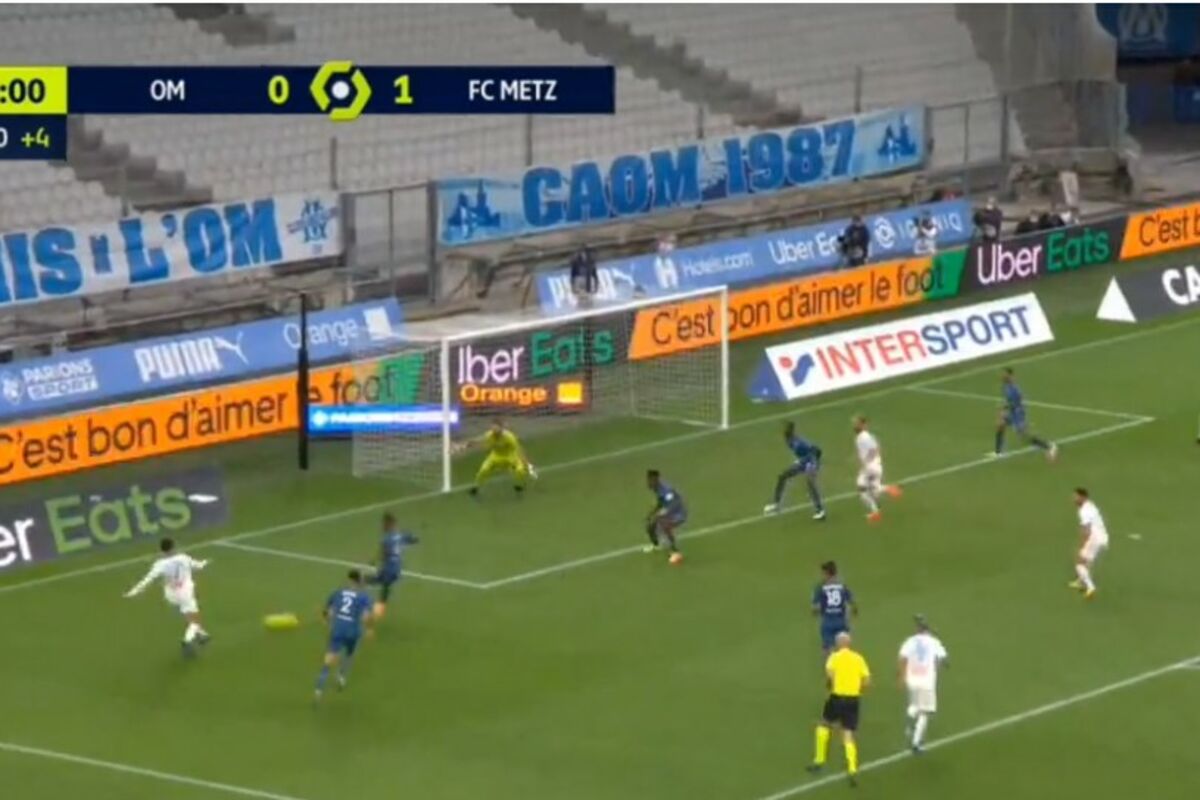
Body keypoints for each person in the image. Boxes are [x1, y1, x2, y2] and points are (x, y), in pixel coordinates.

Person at [123, 538, 211, 656]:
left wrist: (134, 591)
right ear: (174, 547)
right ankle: (187, 640)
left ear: (162, 550)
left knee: (187, 612)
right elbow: (198, 565)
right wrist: (204, 562)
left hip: (171, 594)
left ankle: (201, 634)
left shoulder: (159, 564)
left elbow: (148, 579)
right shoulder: (183, 558)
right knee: (195, 619)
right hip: (185, 592)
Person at [808, 631, 871, 786]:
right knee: (848, 734)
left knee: (824, 725)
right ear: (849, 643)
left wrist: (833, 684)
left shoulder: (834, 657)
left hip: (837, 697)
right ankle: (852, 769)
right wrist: (858, 690)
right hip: (853, 700)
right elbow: (867, 681)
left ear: (838, 644)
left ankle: (819, 760)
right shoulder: (858, 658)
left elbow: (829, 675)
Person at [315, 570, 374, 702]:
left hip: (338, 629)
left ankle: (319, 689)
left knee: (329, 659)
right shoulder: (364, 597)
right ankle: (341, 676)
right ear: (360, 581)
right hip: (353, 631)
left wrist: (325, 620)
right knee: (349, 653)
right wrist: (369, 629)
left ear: (349, 580)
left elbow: (328, 611)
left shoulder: (338, 593)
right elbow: (366, 616)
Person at [898, 615, 949, 754]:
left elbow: (902, 658)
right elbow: (944, 659)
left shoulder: (909, 641)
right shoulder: (934, 642)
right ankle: (916, 743)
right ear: (928, 630)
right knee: (925, 712)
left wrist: (902, 677)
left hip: (912, 680)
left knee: (915, 704)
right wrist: (942, 665)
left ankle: (910, 718)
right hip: (926, 681)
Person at [991, 367, 1057, 461]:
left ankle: (1048, 446)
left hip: (1017, 414)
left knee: (1024, 436)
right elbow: (1008, 401)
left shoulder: (1015, 389)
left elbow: (1017, 403)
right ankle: (998, 452)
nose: (1002, 376)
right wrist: (1003, 409)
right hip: (1011, 412)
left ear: (1010, 376)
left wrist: (1004, 408)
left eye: (1005, 374)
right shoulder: (1005, 387)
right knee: (1000, 425)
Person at [764, 421, 826, 520]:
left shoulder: (799, 442)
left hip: (810, 462)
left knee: (810, 483)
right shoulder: (789, 441)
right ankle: (776, 504)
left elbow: (816, 450)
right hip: (803, 462)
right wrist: (800, 461)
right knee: (782, 476)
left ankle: (820, 510)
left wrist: (813, 464)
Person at [367, 512, 420, 618]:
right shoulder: (402, 535)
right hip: (397, 568)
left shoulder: (386, 539)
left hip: (389, 568)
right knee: (382, 585)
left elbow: (383, 553)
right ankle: (377, 609)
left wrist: (373, 561)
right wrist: (413, 539)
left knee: (376, 583)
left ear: (389, 524)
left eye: (384, 524)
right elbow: (415, 540)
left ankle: (374, 610)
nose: (382, 526)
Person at [466, 419, 535, 498]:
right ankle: (475, 488)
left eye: (496, 428)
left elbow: (519, 449)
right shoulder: (490, 435)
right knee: (483, 470)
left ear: (501, 428)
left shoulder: (510, 437)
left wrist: (526, 462)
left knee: (520, 470)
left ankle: (519, 485)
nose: (494, 431)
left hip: (510, 456)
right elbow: (482, 438)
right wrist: (472, 442)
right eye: (493, 428)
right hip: (495, 456)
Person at [853, 415, 902, 523]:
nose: (855, 425)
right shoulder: (865, 436)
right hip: (875, 466)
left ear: (863, 425)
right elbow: (876, 448)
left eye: (857, 423)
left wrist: (866, 461)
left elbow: (875, 449)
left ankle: (878, 507)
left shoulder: (863, 437)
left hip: (870, 467)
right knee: (874, 489)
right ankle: (878, 509)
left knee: (862, 488)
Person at [1070, 488, 1109, 599]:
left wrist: (1082, 545)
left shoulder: (1084, 511)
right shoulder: (1090, 505)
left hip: (1094, 538)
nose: (1074, 499)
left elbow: (1086, 531)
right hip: (1102, 537)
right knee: (1086, 561)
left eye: (1076, 497)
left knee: (1079, 562)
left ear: (1083, 497)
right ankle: (1081, 582)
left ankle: (1090, 587)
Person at [812, 561, 857, 655]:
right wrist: (852, 613)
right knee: (844, 649)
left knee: (827, 649)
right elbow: (852, 604)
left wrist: (818, 611)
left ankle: (830, 663)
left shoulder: (821, 588)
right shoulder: (842, 586)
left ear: (827, 574)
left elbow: (815, 608)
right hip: (841, 622)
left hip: (828, 622)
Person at [644, 469, 685, 565]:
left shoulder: (666, 490)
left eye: (651, 480)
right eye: (648, 479)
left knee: (665, 526)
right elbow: (661, 502)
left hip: (677, 512)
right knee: (650, 525)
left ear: (656, 479)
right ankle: (656, 545)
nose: (649, 482)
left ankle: (675, 551)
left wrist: (662, 513)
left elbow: (673, 504)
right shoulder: (656, 488)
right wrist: (652, 512)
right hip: (668, 509)